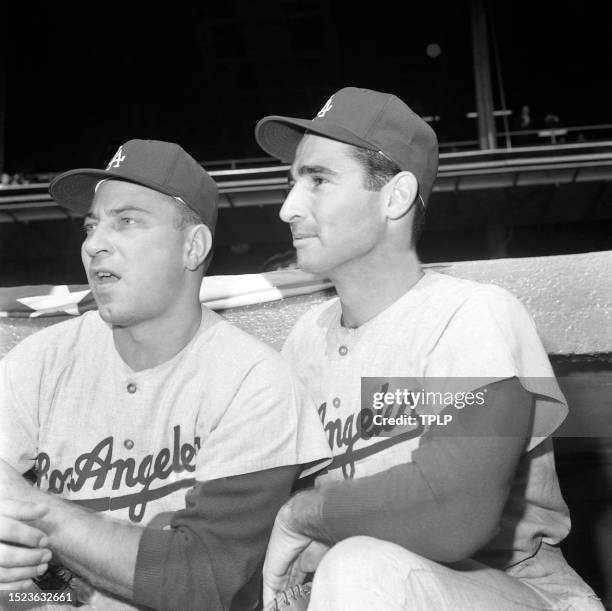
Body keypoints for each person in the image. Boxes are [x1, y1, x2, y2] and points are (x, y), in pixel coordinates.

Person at [254, 87, 604, 610]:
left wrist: (302, 515)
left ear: (395, 197)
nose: (287, 208)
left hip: (516, 588)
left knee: (360, 570)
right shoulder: (306, 339)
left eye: (319, 180)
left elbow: (452, 509)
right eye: (292, 183)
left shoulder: (470, 315)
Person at [0, 139, 331, 610]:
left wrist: (34, 514)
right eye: (91, 227)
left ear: (192, 247)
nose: (94, 244)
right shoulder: (41, 360)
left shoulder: (254, 382)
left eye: (127, 222)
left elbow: (200, 581)